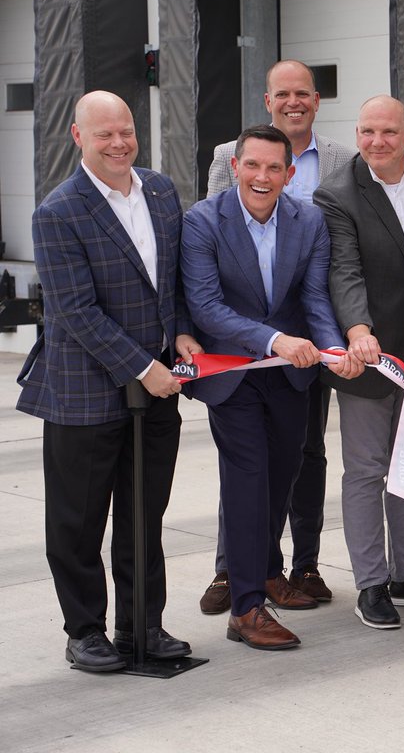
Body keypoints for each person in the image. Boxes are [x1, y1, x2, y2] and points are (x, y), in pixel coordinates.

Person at [17, 90, 200, 671]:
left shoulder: (162, 190)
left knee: (144, 514)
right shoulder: (58, 212)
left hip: (159, 387)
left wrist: (184, 337)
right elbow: (75, 310)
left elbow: (174, 280)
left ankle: (142, 622)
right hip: (85, 390)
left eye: (126, 130)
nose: (119, 142)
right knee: (78, 519)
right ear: (78, 137)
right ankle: (85, 631)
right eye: (104, 134)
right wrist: (143, 368)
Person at [182, 125, 362, 650]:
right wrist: (275, 339)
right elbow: (205, 306)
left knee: (280, 479)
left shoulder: (308, 221)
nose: (263, 177)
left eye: (274, 168)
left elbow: (316, 298)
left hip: (291, 376)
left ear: (289, 173)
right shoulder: (203, 222)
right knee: (247, 479)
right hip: (231, 375)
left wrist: (333, 352)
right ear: (235, 167)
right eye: (253, 166)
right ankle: (245, 609)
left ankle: (262, 573)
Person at [314, 96, 404, 629]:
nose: (377, 142)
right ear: (356, 134)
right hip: (371, 353)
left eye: (389, 132)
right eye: (367, 131)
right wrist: (358, 332)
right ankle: (372, 583)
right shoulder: (336, 194)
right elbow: (343, 271)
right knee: (367, 468)